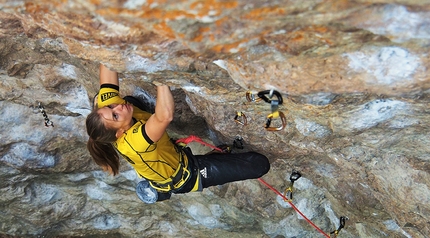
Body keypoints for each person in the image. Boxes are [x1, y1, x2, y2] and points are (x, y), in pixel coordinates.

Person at [86, 64, 270, 203]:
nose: (117, 106)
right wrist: (161, 79)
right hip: (186, 175)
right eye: (115, 114)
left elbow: (107, 65)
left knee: (129, 101)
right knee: (259, 165)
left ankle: (218, 156)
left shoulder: (107, 110)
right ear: (119, 132)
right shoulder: (134, 143)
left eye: (110, 106)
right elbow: (165, 116)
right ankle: (214, 158)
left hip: (163, 151)